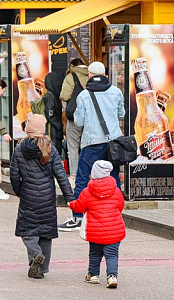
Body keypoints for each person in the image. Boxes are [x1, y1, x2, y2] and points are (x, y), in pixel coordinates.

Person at [60, 61, 124, 232]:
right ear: (104, 74)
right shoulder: (116, 92)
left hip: (91, 143)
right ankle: (114, 214)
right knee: (113, 178)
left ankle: (78, 218)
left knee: (82, 178)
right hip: (113, 144)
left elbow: (79, 121)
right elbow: (121, 114)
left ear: (89, 74)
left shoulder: (84, 96)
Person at [10, 114, 74, 279]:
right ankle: (42, 268)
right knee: (45, 233)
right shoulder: (50, 149)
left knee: (28, 231)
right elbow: (61, 175)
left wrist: (20, 192)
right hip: (47, 197)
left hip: (28, 196)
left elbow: (14, 176)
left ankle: (35, 254)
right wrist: (70, 198)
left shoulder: (19, 149)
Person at [69, 160, 125, 289]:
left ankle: (93, 275)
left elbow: (79, 207)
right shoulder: (116, 190)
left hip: (95, 230)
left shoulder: (87, 191)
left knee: (95, 253)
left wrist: (70, 204)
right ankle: (112, 276)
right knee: (112, 254)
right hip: (114, 231)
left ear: (93, 174)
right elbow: (120, 206)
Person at [60, 58, 88, 182]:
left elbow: (64, 96)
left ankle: (74, 175)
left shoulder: (71, 77)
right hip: (91, 117)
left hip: (75, 116)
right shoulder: (92, 76)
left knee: (73, 147)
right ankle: (87, 174)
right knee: (87, 146)